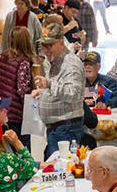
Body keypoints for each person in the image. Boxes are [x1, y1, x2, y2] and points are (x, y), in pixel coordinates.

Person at [33, 19, 85, 158]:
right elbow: (61, 88)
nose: (45, 50)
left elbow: (74, 93)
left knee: (61, 173)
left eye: (49, 45)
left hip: (65, 129)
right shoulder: (55, 62)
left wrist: (49, 85)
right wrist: (43, 92)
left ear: (61, 42)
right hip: (58, 129)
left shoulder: (70, 64)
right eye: (43, 45)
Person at [0, 28, 37, 148]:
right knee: (21, 148)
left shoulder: (3, 57)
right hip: (18, 114)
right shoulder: (23, 61)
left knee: (7, 149)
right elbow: (22, 90)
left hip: (2, 110)